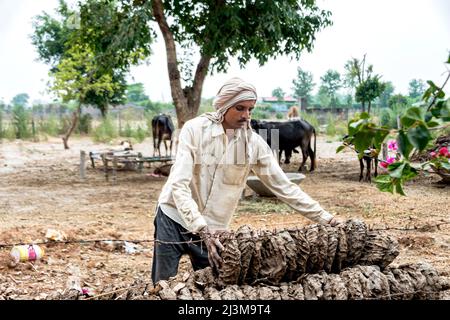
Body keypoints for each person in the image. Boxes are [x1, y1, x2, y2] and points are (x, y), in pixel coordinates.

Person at [151, 77, 343, 284]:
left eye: (250, 109)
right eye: (240, 108)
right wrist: (201, 228)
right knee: (163, 286)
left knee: (213, 287)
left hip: (214, 230)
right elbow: (179, 185)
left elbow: (285, 187)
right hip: (173, 217)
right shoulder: (194, 130)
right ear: (223, 107)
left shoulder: (253, 145)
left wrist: (327, 219)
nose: (246, 115)